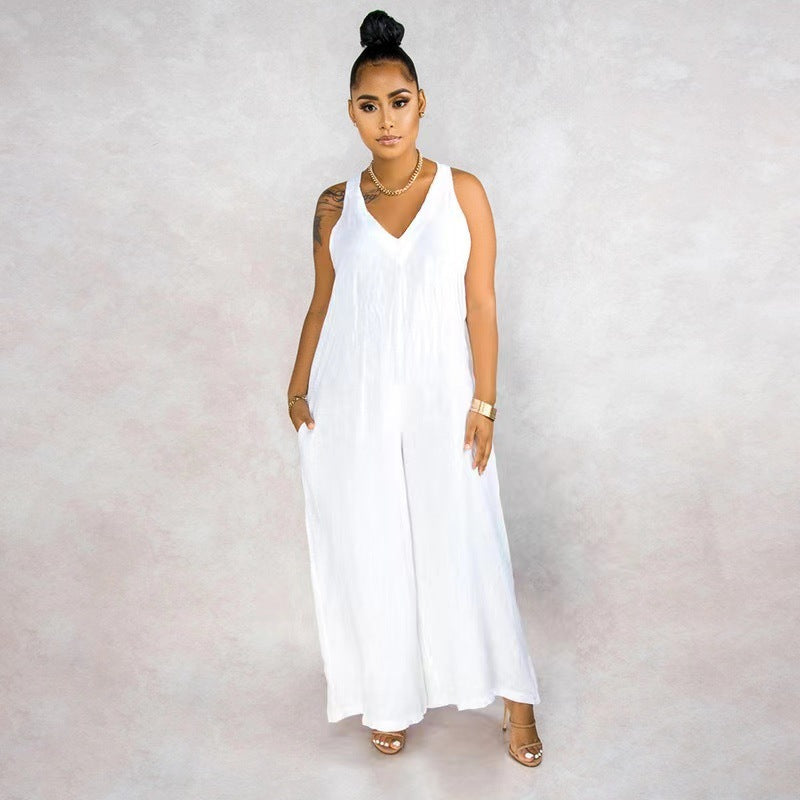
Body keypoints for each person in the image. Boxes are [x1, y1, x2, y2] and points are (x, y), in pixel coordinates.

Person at [287, 10, 544, 767]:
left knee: (469, 538)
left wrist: (485, 401)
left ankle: (517, 699)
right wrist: (297, 386)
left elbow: (481, 305)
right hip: (355, 400)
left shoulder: (462, 191)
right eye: (369, 106)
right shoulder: (334, 205)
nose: (386, 120)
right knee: (373, 543)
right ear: (351, 113)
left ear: (421, 102)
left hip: (443, 397)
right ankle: (388, 694)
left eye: (398, 102)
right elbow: (322, 302)